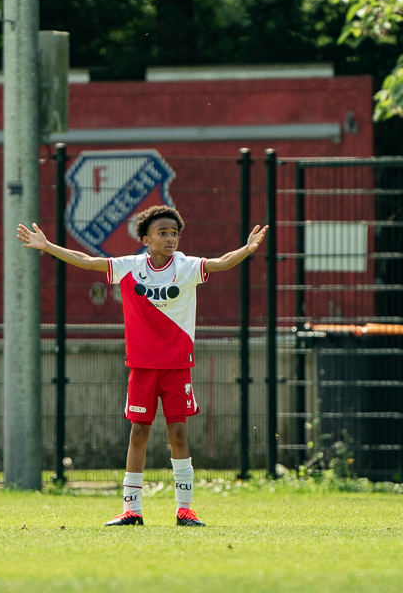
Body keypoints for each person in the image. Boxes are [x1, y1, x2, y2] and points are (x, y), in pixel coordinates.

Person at [17, 205, 268, 527]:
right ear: (146, 238)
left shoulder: (187, 266)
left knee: (178, 432)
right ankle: (131, 510)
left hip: (177, 365)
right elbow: (89, 262)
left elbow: (219, 264)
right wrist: (47, 246)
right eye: (162, 233)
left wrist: (247, 250)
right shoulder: (131, 266)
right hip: (142, 365)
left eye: (174, 233)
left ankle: (185, 509)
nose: (170, 238)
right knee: (138, 432)